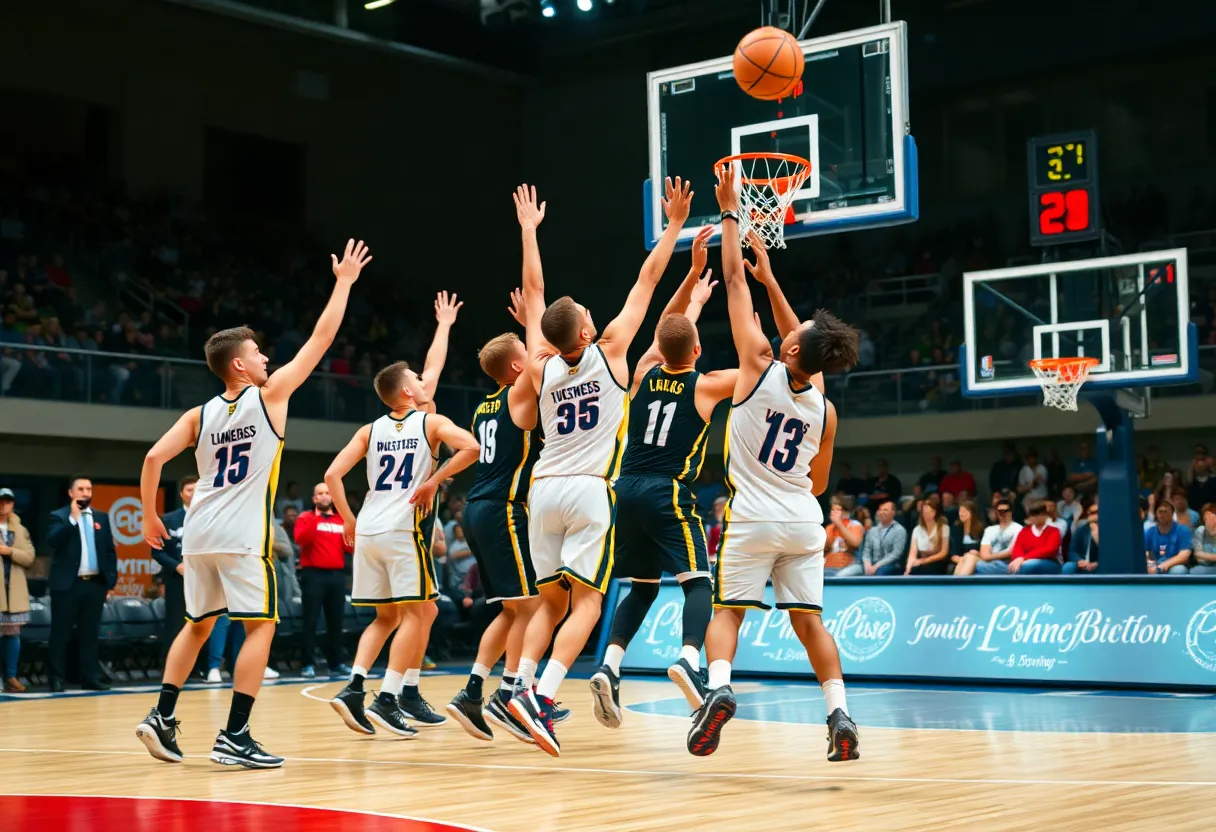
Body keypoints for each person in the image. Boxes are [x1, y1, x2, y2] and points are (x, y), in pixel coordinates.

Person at [135, 239, 372, 769]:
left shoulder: (198, 415)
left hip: (196, 534)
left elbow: (153, 458)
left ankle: (162, 715)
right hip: (242, 535)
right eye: (259, 353)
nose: (267, 358)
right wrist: (345, 282)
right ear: (240, 366)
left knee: (196, 625)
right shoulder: (270, 396)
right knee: (261, 627)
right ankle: (235, 735)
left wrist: (151, 516)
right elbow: (322, 337)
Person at [506, 179, 693, 757]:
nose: (592, 311)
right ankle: (540, 697)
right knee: (587, 603)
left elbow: (535, 291)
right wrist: (675, 226)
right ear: (586, 332)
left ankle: (518, 684)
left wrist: (529, 230)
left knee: (549, 602)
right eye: (587, 313)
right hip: (589, 490)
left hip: (543, 490)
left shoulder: (539, 364)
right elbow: (648, 280)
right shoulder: (612, 350)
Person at [687, 163, 861, 762]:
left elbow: (731, 277)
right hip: (803, 522)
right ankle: (839, 712)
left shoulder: (756, 365)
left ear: (788, 348)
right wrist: (775, 281)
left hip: (751, 518)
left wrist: (731, 211)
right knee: (810, 623)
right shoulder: (825, 407)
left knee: (727, 613)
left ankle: (717, 691)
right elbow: (818, 480)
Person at [592, 225, 736, 728]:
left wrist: (692, 285)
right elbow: (761, 372)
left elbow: (667, 334)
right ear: (698, 353)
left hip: (625, 490)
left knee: (643, 588)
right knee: (700, 585)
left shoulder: (644, 372)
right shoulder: (708, 385)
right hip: (668, 493)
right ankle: (690, 661)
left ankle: (609, 666)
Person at [325, 361, 479, 738]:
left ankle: (356, 687)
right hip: (402, 528)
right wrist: (434, 482)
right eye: (415, 378)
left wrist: (347, 519)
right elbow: (473, 447)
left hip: (369, 528)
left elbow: (331, 475)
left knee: (388, 618)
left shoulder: (369, 429)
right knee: (415, 615)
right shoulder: (431, 423)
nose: (422, 381)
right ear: (408, 391)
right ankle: (388, 698)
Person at [446, 289, 548, 744]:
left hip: (477, 508)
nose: (532, 359)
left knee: (512, 610)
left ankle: (473, 690)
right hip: (503, 509)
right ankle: (511, 694)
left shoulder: (484, 405)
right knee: (532, 605)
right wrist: (533, 319)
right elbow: (538, 357)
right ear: (515, 368)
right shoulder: (515, 397)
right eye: (525, 355)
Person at [46, 476, 118, 692]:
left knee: (90, 634)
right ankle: (56, 678)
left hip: (94, 584)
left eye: (88, 489)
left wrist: (109, 583)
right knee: (61, 634)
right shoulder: (58, 516)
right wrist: (73, 520)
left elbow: (109, 552)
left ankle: (90, 677)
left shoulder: (101, 518)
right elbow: (53, 541)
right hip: (67, 585)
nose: (85, 492)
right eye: (81, 489)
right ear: (71, 493)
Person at [294, 482, 353, 680]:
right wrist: (317, 519)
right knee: (310, 621)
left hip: (337, 576)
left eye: (328, 493)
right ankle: (308, 664)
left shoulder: (340, 520)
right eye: (320, 493)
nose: (325, 496)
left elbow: (350, 548)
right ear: (315, 499)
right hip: (313, 575)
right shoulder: (305, 518)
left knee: (336, 622)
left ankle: (335, 663)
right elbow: (301, 540)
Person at [152, 476, 196, 663]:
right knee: (176, 624)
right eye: (189, 490)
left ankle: (198, 666)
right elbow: (156, 551)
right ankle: (170, 666)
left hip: (203, 580)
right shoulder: (169, 520)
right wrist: (176, 566)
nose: (194, 494)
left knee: (201, 624)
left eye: (198, 490)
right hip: (177, 579)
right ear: (181, 494)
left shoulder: (211, 517)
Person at [1, 487, 36, 692]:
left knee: (13, 634)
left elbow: (29, 557)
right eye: (1, 501)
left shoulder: (20, 529)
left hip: (13, 590)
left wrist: (9, 551)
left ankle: (11, 677)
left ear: (13, 504)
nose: (3, 505)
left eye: (7, 501)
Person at [954, 497, 1022, 576]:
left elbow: (1011, 552)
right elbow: (984, 555)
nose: (1003, 513)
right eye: (1000, 511)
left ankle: (958, 585)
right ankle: (956, 585)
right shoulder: (990, 529)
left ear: (1011, 512)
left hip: (1007, 565)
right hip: (988, 563)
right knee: (968, 557)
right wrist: (988, 556)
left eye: (1006, 510)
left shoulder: (1018, 528)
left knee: (970, 561)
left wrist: (989, 556)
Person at [1006, 501, 1063, 574]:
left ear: (1045, 515)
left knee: (1026, 566)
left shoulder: (1054, 531)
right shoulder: (1024, 531)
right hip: (1024, 562)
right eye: (1032, 514)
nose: (1035, 517)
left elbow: (1050, 550)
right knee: (1011, 567)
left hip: (1051, 563)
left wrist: (1023, 558)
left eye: (1038, 514)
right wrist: (1018, 559)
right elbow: (1017, 548)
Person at [905, 496, 949, 575]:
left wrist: (925, 561)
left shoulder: (944, 528)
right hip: (921, 559)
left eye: (930, 511)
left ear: (935, 512)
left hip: (937, 561)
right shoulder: (917, 530)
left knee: (927, 569)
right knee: (913, 570)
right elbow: (912, 554)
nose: (926, 514)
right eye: (924, 512)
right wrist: (908, 568)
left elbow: (943, 553)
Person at [1145, 500, 1191, 574]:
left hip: (1174, 565)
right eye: (1160, 511)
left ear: (1172, 514)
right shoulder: (1150, 531)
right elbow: (1146, 553)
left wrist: (1165, 565)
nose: (1162, 514)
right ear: (1156, 513)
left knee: (1179, 570)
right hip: (1155, 564)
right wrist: (1151, 565)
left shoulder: (1182, 530)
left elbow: (1184, 555)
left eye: (1165, 511)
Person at [949, 500, 985, 574]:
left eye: (964, 511)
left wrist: (978, 553)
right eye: (960, 511)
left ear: (972, 513)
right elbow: (953, 553)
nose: (961, 514)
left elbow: (986, 550)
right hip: (960, 559)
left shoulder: (981, 528)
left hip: (978, 558)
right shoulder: (956, 528)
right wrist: (962, 558)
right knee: (966, 559)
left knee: (969, 558)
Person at [1062, 502, 1099, 574]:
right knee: (1068, 567)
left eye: (1095, 512)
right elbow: (1072, 551)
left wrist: (1097, 563)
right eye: (1089, 512)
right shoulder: (1082, 529)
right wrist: (1079, 561)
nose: (1090, 514)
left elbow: (1111, 553)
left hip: (1099, 563)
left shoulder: (1109, 531)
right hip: (1083, 562)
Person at [1190, 503, 1216, 575]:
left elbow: (1201, 555)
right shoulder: (1200, 530)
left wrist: (1205, 556)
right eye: (1206, 515)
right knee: (1194, 571)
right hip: (1205, 567)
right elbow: (1198, 557)